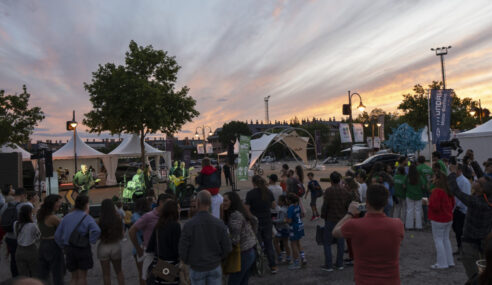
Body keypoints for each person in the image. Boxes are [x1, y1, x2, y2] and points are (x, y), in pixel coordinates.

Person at [332, 184, 404, 285]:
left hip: (364, 281)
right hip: (391, 281)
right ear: (386, 202)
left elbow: (335, 232)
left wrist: (350, 214)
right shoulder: (398, 224)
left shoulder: (354, 225)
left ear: (367, 203)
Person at [447, 163, 492, 279]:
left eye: (477, 182)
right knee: (485, 274)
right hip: (484, 245)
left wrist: (452, 172)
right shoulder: (488, 198)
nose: (474, 181)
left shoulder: (476, 203)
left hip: (471, 246)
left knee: (475, 277)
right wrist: (473, 163)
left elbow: (455, 190)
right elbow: (486, 181)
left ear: (481, 189)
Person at [179, 190, 232, 285]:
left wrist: (190, 261)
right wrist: (218, 259)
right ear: (210, 203)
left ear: (198, 202)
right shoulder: (219, 223)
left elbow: (183, 250)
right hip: (214, 266)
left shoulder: (189, 225)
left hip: (197, 267)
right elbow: (227, 247)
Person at [55, 195, 101, 285]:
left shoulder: (67, 217)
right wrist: (92, 241)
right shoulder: (86, 217)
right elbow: (97, 230)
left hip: (69, 249)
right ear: (86, 205)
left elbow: (57, 235)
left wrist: (63, 246)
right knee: (82, 277)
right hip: (82, 248)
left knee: (73, 277)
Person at [320, 171, 352, 272]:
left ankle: (328, 265)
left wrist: (323, 215)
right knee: (341, 242)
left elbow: (325, 206)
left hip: (330, 219)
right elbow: (348, 205)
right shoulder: (345, 191)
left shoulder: (328, 191)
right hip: (342, 219)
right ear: (339, 180)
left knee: (327, 242)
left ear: (331, 180)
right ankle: (339, 264)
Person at [222, 191, 257, 285]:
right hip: (249, 251)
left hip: (243, 254)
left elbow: (235, 239)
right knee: (243, 281)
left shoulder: (234, 216)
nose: (223, 203)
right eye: (223, 200)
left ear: (232, 201)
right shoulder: (240, 212)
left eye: (226, 200)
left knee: (234, 282)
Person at [245, 175, 277, 273]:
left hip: (256, 222)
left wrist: (252, 217)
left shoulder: (250, 193)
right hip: (267, 221)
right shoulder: (268, 192)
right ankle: (273, 266)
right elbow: (274, 206)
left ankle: (257, 267)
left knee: (256, 245)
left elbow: (246, 209)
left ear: (253, 183)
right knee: (269, 244)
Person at [129, 194, 173, 264]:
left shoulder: (169, 217)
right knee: (148, 274)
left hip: (165, 255)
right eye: (169, 204)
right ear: (161, 202)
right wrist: (138, 249)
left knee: (166, 274)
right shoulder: (148, 216)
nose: (171, 207)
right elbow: (132, 231)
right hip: (151, 255)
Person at [146, 200, 181, 285]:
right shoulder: (175, 226)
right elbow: (177, 249)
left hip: (159, 265)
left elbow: (150, 247)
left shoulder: (158, 226)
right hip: (171, 266)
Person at [428, 170, 455, 269]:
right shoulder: (448, 190)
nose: (432, 179)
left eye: (434, 177)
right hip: (448, 218)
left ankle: (442, 263)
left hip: (438, 219)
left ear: (438, 179)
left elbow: (435, 207)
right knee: (446, 239)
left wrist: (428, 203)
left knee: (438, 240)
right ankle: (449, 261)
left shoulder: (437, 191)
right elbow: (453, 204)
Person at [37, 194, 65, 285]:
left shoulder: (40, 215)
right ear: (52, 204)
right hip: (52, 244)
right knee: (57, 272)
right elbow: (64, 229)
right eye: (58, 202)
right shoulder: (53, 218)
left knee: (43, 272)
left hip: (43, 244)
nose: (60, 204)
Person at [97, 199, 125, 285]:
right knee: (119, 272)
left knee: (106, 274)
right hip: (115, 245)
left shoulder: (100, 220)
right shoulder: (118, 219)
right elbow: (122, 235)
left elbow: (98, 235)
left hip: (103, 246)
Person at [3, 187, 28, 278]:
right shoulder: (23, 206)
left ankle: (15, 279)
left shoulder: (6, 205)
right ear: (23, 195)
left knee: (13, 259)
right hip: (20, 237)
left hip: (9, 236)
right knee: (22, 260)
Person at [14, 205, 41, 278]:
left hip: (19, 250)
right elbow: (39, 236)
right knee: (35, 273)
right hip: (31, 250)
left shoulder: (16, 224)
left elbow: (15, 235)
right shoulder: (32, 225)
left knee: (23, 275)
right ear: (29, 214)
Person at [131, 197, 151, 285]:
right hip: (149, 247)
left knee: (142, 273)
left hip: (138, 248)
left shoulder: (134, 216)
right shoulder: (150, 215)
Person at [453, 164, 472, 255]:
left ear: (459, 170)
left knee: (460, 231)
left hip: (461, 210)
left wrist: (458, 206)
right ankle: (459, 247)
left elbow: (466, 195)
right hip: (456, 209)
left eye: (454, 169)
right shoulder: (456, 180)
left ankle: (463, 251)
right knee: (456, 230)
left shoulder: (464, 182)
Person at [286, 193, 305, 270]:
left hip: (294, 227)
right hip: (300, 225)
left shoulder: (290, 208)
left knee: (293, 244)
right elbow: (301, 215)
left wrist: (285, 220)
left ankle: (296, 263)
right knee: (298, 242)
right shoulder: (297, 206)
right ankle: (303, 258)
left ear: (289, 200)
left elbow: (289, 221)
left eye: (287, 199)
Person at [405, 164, 424, 230]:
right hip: (418, 195)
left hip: (409, 195)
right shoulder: (420, 177)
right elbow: (423, 186)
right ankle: (418, 226)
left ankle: (409, 226)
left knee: (409, 210)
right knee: (418, 211)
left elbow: (404, 186)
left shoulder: (407, 177)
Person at [273, 195, 291, 265]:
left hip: (281, 228)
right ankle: (288, 258)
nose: (277, 201)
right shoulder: (286, 208)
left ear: (282, 202)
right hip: (286, 228)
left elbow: (282, 220)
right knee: (286, 243)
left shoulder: (282, 210)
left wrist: (274, 221)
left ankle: (280, 257)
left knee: (275, 242)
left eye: (279, 200)